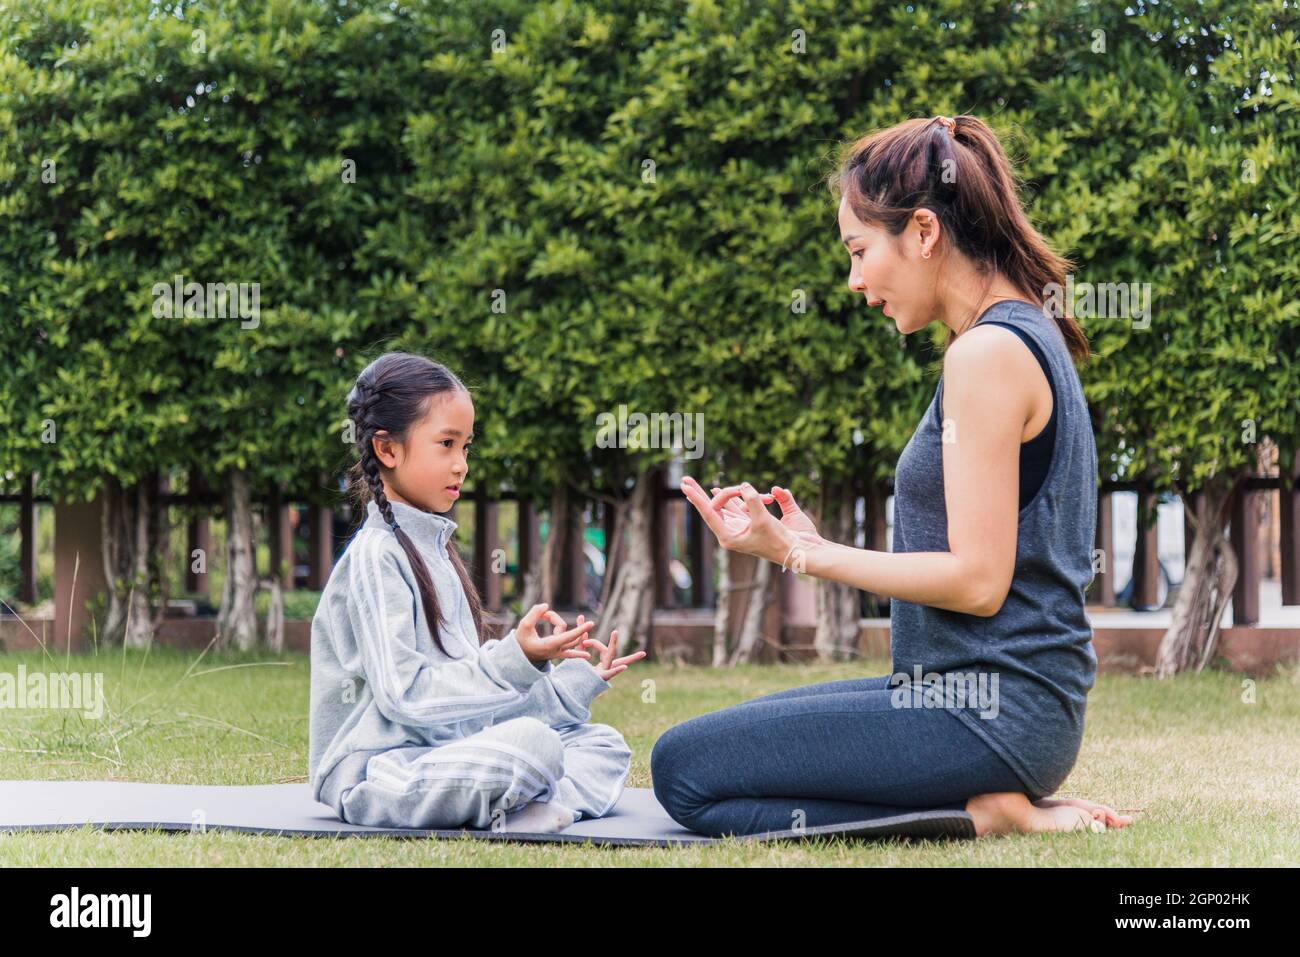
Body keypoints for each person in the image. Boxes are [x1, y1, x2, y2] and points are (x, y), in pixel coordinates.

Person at [655, 115, 1135, 838]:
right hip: (975, 703)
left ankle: (983, 814)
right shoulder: (1016, 333)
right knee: (712, 745)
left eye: (858, 250)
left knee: (681, 768)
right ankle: (988, 803)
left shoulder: (987, 354)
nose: (853, 280)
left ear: (922, 232)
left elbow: (979, 580)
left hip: (988, 712)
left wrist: (797, 553)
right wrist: (805, 538)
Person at [308, 351, 644, 833]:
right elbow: (406, 699)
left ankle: (530, 802)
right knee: (534, 747)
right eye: (446, 444)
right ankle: (527, 798)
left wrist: (568, 683)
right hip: (379, 772)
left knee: (602, 744)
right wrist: (513, 659)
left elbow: (469, 709)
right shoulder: (376, 557)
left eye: (466, 447)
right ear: (387, 450)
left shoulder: (438, 551)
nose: (461, 464)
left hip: (449, 751)